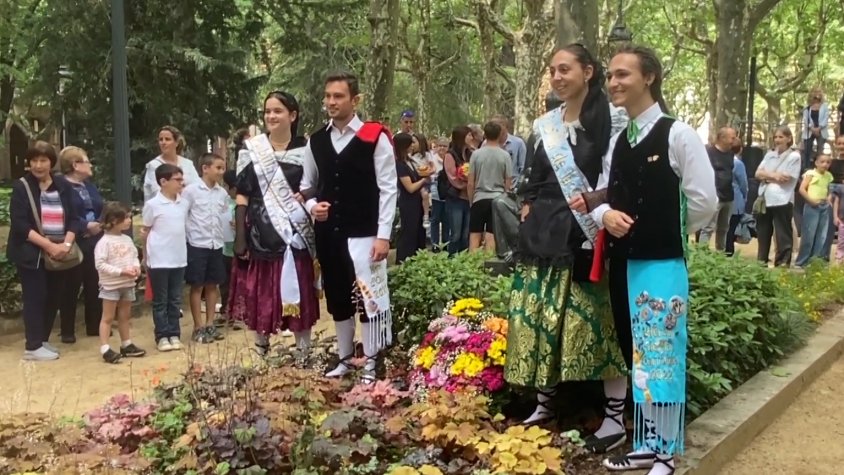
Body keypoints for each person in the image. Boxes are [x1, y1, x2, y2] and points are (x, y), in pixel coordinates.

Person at [588, 45, 717, 475]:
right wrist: (604, 216)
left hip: (662, 264)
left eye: (623, 74)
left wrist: (664, 229)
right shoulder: (618, 142)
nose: (613, 83)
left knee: (661, 354)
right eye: (610, 75)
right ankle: (647, 444)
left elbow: (704, 201)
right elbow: (603, 195)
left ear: (650, 77)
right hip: (623, 264)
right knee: (637, 352)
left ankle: (666, 455)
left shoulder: (678, 135)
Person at [505, 44, 628, 436]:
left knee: (601, 328)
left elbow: (618, 178)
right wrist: (528, 208)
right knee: (542, 324)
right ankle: (545, 404)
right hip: (543, 238)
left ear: (587, 72)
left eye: (565, 69)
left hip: (586, 237)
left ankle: (614, 415)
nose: (557, 77)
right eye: (552, 71)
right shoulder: (546, 126)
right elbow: (536, 177)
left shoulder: (614, 121)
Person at [300, 71, 398, 383]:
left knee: (369, 300)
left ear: (355, 100)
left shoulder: (374, 137)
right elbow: (307, 186)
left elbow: (388, 188)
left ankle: (370, 364)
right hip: (330, 234)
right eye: (328, 96)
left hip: (365, 233)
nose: (331, 102)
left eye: (338, 96)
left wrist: (383, 236)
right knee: (338, 297)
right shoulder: (316, 141)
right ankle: (344, 360)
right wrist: (313, 207)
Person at [229, 91, 321, 357]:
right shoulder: (251, 150)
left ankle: (303, 353)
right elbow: (242, 194)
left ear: (292, 115)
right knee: (262, 293)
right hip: (261, 232)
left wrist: (307, 196)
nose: (271, 116)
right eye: (267, 111)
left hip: (295, 233)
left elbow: (315, 186)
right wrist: (240, 236)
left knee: (300, 290)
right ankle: (261, 351)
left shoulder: (307, 150)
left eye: (277, 111)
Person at [7, 141, 85, 361]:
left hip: (60, 252)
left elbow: (75, 218)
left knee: (53, 296)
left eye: (43, 160)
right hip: (31, 252)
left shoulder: (62, 185)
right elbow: (20, 225)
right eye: (34, 160)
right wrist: (48, 246)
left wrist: (66, 245)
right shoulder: (22, 187)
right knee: (36, 296)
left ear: (52, 163)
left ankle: (41, 340)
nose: (38, 165)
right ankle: (32, 346)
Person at [57, 146, 104, 342]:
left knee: (95, 283)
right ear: (75, 165)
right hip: (73, 241)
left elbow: (100, 207)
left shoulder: (89, 186)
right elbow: (63, 213)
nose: (90, 165)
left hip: (94, 240)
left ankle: (94, 325)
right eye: (87, 161)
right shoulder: (60, 186)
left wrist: (99, 223)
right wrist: (85, 226)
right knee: (71, 285)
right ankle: (67, 330)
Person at [142, 163, 189, 352]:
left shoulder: (183, 203)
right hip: (159, 259)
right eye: (177, 179)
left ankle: (174, 333)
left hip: (179, 257)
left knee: (175, 299)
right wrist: (145, 257)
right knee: (160, 300)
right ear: (163, 182)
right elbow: (146, 231)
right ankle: (162, 335)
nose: (181, 183)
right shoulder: (153, 205)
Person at [183, 153, 229, 343]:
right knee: (197, 285)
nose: (221, 172)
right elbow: (184, 215)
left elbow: (223, 216)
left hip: (215, 244)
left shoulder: (222, 193)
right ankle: (198, 326)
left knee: (212, 284)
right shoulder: (191, 191)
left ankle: (210, 324)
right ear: (205, 168)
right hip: (197, 244)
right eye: (218, 168)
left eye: (223, 168)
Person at [94, 202, 145, 363]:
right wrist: (121, 272)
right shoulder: (104, 242)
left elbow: (134, 256)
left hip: (127, 284)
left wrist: (136, 268)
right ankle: (105, 348)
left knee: (125, 316)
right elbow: (100, 264)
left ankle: (126, 343)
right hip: (111, 286)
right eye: (126, 218)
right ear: (114, 220)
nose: (129, 220)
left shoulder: (127, 239)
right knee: (108, 317)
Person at [754, 126, 801, 267]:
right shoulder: (769, 155)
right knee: (763, 233)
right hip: (764, 198)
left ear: (789, 138)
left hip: (782, 199)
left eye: (781, 137)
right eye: (775, 137)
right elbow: (757, 173)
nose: (777, 140)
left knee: (782, 234)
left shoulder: (794, 156)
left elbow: (785, 178)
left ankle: (782, 263)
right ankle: (761, 262)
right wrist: (774, 175)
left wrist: (766, 175)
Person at [467, 121, 512, 253]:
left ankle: (472, 263)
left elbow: (471, 182)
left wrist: (471, 201)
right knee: (491, 235)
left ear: (484, 135)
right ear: (500, 135)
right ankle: (489, 261)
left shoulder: (476, 154)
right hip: (497, 199)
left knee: (475, 234)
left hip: (479, 198)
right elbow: (508, 182)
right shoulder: (505, 155)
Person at [698, 127, 737, 250]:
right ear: (722, 138)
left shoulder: (731, 154)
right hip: (713, 195)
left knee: (723, 228)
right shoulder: (708, 153)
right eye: (732, 138)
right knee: (708, 227)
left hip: (728, 196)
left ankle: (720, 254)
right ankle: (702, 254)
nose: (734, 140)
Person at [395, 133, 432, 263]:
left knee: (418, 232)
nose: (412, 145)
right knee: (409, 232)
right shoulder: (400, 165)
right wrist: (424, 180)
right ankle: (404, 260)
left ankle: (418, 258)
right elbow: (410, 187)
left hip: (417, 202)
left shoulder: (410, 161)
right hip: (408, 203)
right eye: (410, 143)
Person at [143, 126, 200, 203]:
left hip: (188, 206)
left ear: (176, 143)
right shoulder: (154, 165)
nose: (163, 142)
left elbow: (197, 187)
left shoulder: (188, 164)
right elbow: (157, 191)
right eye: (161, 139)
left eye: (167, 139)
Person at [795, 154, 833, 267]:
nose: (825, 164)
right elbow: (802, 189)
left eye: (828, 162)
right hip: (812, 206)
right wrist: (811, 201)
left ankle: (815, 261)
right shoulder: (811, 174)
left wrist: (828, 198)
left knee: (821, 235)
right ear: (816, 163)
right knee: (809, 234)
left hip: (824, 206)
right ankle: (802, 261)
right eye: (822, 162)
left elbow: (828, 189)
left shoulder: (828, 176)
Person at [215, 169, 240, 329]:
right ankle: (225, 310)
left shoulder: (245, 203)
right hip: (225, 248)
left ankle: (238, 314)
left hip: (240, 248)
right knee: (224, 282)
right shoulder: (224, 202)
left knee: (239, 282)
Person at [443, 126, 473, 254]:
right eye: (469, 135)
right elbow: (452, 177)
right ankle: (452, 258)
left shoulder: (470, 154)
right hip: (456, 198)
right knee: (456, 233)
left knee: (466, 234)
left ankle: (464, 258)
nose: (471, 138)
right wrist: (467, 183)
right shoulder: (450, 155)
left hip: (469, 198)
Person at [724, 141, 749, 257]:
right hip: (736, 199)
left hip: (722, 197)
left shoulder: (722, 160)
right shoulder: (738, 164)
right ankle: (729, 252)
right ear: (740, 149)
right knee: (731, 229)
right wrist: (745, 196)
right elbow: (743, 183)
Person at [489, 114, 527, 181]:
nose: (493, 129)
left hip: (513, 183)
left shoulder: (518, 143)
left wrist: (519, 183)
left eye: (495, 126)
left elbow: (523, 167)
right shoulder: (486, 144)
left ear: (504, 126)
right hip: (492, 184)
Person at [429, 137, 451, 250]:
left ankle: (446, 243)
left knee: (447, 220)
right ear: (436, 147)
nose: (442, 148)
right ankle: (435, 244)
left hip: (448, 194)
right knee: (435, 219)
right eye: (440, 146)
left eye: (445, 146)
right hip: (435, 194)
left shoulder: (450, 159)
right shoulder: (432, 160)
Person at [801, 89, 830, 169]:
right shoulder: (807, 107)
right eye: (815, 92)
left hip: (821, 131)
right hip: (809, 131)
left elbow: (826, 118)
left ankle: (819, 168)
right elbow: (805, 119)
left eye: (818, 92)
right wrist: (812, 128)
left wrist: (819, 128)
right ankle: (806, 168)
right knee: (807, 150)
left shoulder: (824, 106)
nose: (817, 95)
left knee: (820, 150)